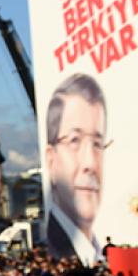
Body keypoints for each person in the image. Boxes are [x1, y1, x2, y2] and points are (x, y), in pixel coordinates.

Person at [44, 73, 108, 265]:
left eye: (97, 144)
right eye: (74, 141)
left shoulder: (97, 251)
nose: (90, 163)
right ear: (51, 159)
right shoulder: (58, 251)